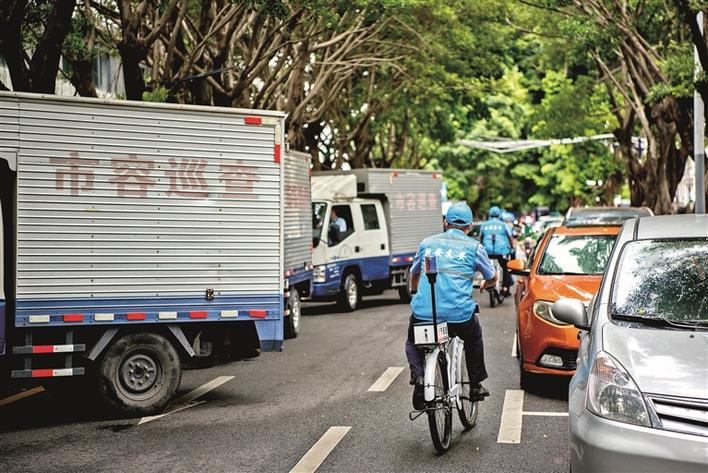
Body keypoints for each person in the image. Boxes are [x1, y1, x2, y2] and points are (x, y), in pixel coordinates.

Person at [405, 202, 497, 409]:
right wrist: (486, 284)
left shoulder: (427, 244)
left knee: (413, 342)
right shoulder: (474, 247)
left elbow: (415, 273)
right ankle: (475, 386)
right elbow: (492, 277)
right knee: (474, 338)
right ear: (470, 226)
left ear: (445, 223)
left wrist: (413, 291)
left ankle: (419, 379)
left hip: (424, 315)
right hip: (459, 317)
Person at [480, 206, 514, 296]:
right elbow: (510, 237)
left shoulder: (485, 224)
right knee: (505, 267)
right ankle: (505, 288)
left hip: (487, 251)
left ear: (490, 214)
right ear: (499, 214)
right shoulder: (503, 224)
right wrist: (512, 247)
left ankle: (488, 284)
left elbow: (481, 237)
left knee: (486, 267)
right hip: (501, 252)